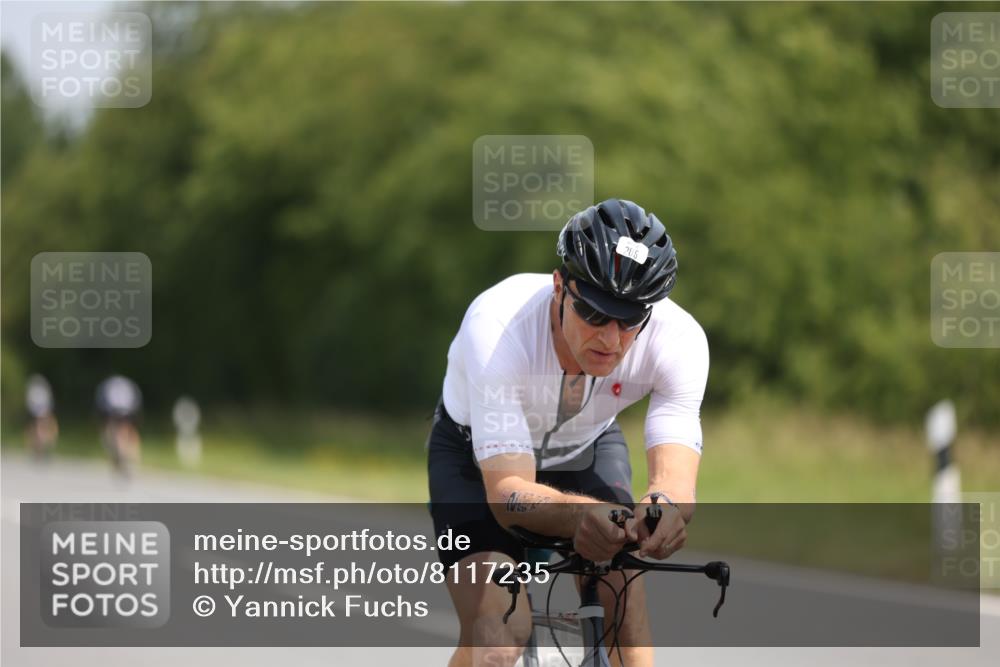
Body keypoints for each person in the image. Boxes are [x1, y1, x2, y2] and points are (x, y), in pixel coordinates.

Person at [427, 198, 709, 667]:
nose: (610, 337)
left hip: (585, 445)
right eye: (594, 313)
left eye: (629, 320)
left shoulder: (678, 340)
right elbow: (507, 493)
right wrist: (588, 516)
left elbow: (674, 480)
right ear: (560, 286)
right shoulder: (497, 329)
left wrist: (663, 511)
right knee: (499, 634)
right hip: (475, 462)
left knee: (625, 609)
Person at [95, 374, 143, 476]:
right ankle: (129, 457)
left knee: (113, 430)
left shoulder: (110, 387)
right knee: (127, 430)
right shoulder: (125, 387)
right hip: (125, 409)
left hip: (114, 410)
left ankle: (123, 457)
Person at [25, 374, 59, 460]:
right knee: (38, 430)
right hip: (40, 410)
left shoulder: (37, 390)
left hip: (40, 410)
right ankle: (39, 449)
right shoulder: (38, 391)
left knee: (40, 430)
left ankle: (42, 447)